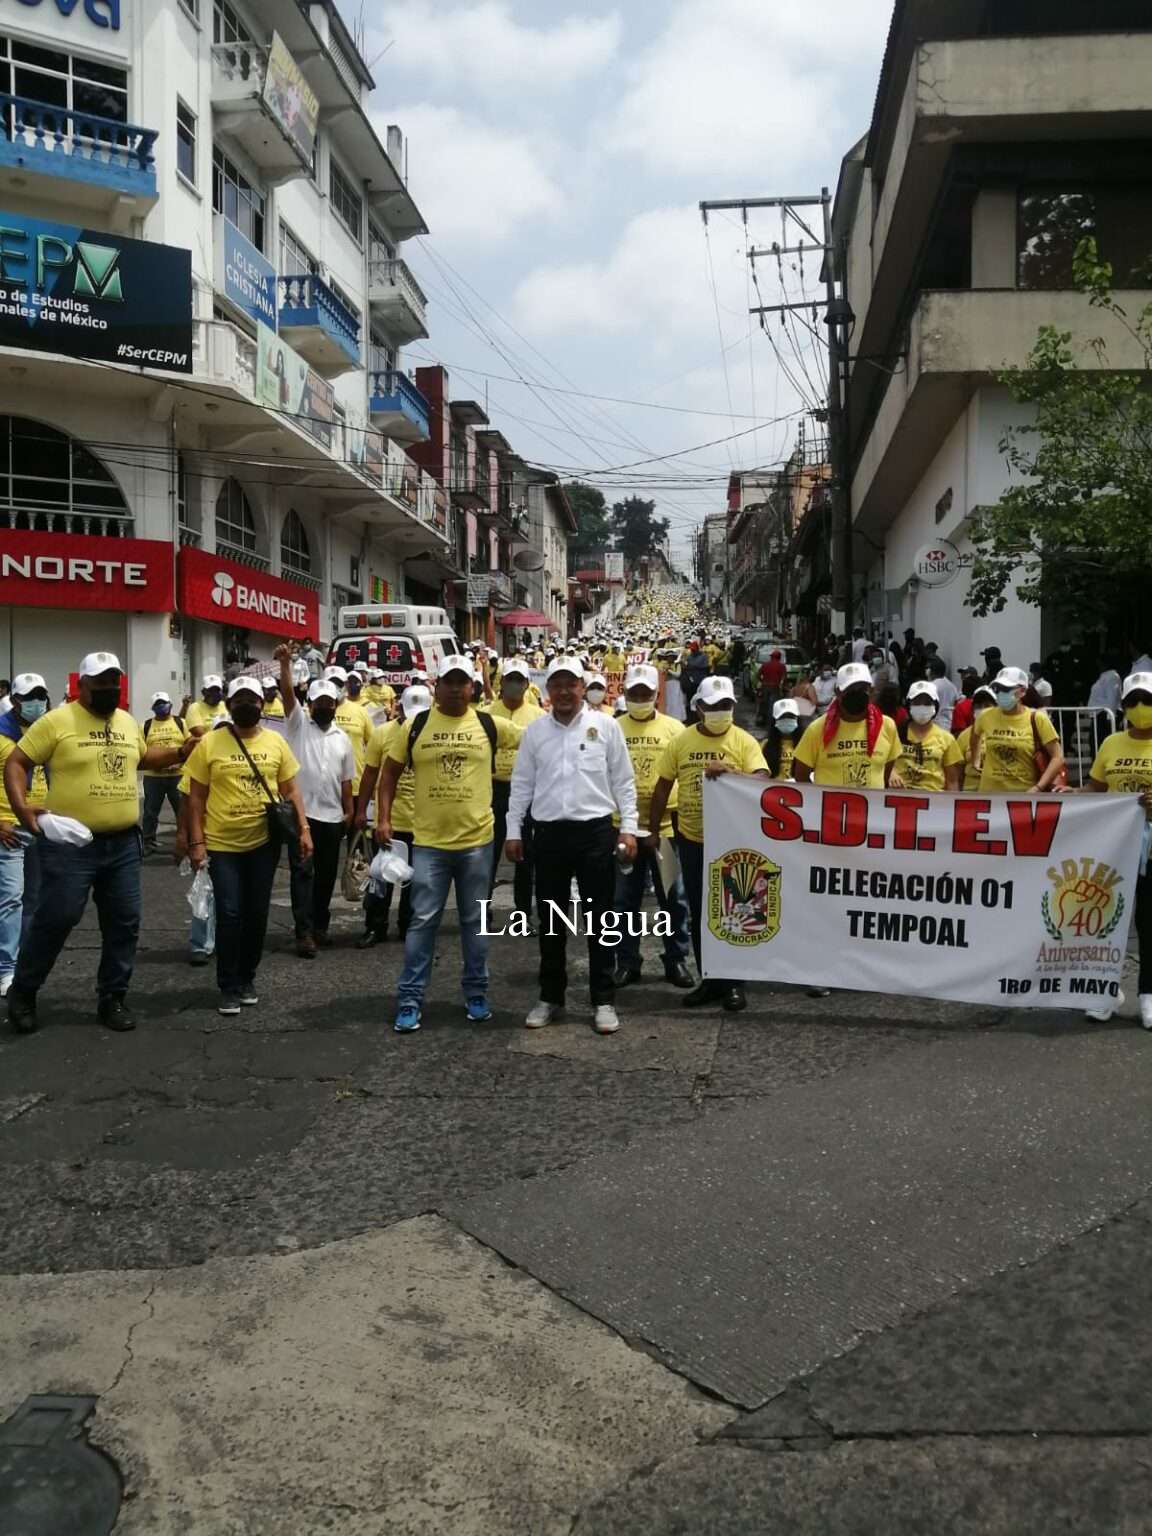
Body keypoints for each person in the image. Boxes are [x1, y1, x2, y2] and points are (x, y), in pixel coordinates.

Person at [4, 652, 191, 1035]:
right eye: (101, 682)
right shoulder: (57, 721)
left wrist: (179, 752)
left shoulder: (125, 721)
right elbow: (17, 763)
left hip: (122, 844)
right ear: (82, 685)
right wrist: (23, 811)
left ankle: (113, 996)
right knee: (57, 918)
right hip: (70, 844)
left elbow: (142, 757)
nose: (109, 688)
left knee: (124, 923)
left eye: (114, 682)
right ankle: (24, 991)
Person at [380, 656, 522, 1033]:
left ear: (473, 687)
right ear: (436, 686)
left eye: (464, 682)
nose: (457, 688)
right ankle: (410, 999)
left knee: (474, 922)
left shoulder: (490, 724)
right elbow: (389, 773)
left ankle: (476, 993)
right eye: (450, 682)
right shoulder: (416, 725)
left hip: (478, 843)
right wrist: (382, 818)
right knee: (421, 922)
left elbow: (539, 741)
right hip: (428, 844)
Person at [506, 656, 637, 1035]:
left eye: (571, 684)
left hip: (595, 833)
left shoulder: (606, 726)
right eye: (557, 684)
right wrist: (514, 830)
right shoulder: (535, 732)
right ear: (547, 690)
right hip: (547, 836)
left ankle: (603, 999)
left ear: (584, 687)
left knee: (601, 920)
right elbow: (522, 785)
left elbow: (624, 782)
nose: (564, 691)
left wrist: (628, 829)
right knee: (551, 921)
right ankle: (551, 996)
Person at [186, 676, 310, 1016]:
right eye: (239, 700)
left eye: (252, 700)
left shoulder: (276, 742)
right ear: (228, 704)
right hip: (222, 843)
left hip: (263, 843)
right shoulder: (210, 744)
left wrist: (303, 828)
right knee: (229, 913)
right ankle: (227, 985)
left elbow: (291, 790)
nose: (246, 706)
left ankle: (247, 978)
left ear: (261, 704)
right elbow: (195, 799)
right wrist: (196, 843)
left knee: (257, 913)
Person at [648, 675, 768, 1012]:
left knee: (734, 911)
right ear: (698, 708)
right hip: (692, 839)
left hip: (733, 844)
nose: (720, 712)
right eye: (712, 706)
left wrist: (730, 773)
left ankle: (734, 984)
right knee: (702, 913)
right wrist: (654, 830)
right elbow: (662, 787)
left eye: (726, 706)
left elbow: (762, 782)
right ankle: (711, 979)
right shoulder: (681, 742)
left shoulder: (744, 742)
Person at [612, 665, 693, 991]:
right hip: (623, 829)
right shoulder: (612, 728)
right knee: (624, 901)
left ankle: (676, 960)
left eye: (646, 694)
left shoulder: (675, 729)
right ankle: (627, 962)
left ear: (656, 696)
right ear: (625, 695)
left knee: (673, 899)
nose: (640, 699)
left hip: (666, 831)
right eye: (634, 694)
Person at [1081, 671, 1152, 1028]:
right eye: (1133, 701)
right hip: (1114, 850)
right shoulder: (1111, 744)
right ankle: (1104, 991)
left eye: (1148, 701)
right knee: (1108, 922)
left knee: (1149, 923)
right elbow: (1095, 787)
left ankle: (1149, 995)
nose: (1140, 708)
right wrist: (1066, 802)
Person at [275, 647, 355, 956]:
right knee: (302, 875)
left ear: (336, 705)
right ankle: (303, 932)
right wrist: (285, 664)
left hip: (333, 818)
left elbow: (346, 780)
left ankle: (320, 926)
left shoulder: (342, 738)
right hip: (302, 817)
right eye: (318, 702)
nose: (324, 707)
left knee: (326, 877)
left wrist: (349, 811)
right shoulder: (297, 726)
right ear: (309, 704)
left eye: (329, 703)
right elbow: (287, 696)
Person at [354, 684, 430, 947]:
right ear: (398, 708)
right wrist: (362, 810)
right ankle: (375, 927)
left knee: (415, 881)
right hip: (389, 820)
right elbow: (371, 775)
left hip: (422, 822)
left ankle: (408, 926)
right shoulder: (383, 733)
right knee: (381, 878)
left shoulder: (432, 733)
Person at [482, 659, 543, 920]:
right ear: (501, 682)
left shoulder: (540, 717)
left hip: (527, 792)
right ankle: (482, 911)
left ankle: (522, 912)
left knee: (525, 855)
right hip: (492, 790)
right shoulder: (485, 714)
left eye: (520, 680)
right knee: (487, 853)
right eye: (510, 680)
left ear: (527, 684)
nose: (515, 685)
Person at [0, 673, 49, 997]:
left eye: (40, 696)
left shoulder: (43, 733)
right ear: (15, 700)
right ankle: (7, 968)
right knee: (11, 900)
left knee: (35, 899)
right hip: (9, 828)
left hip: (41, 826)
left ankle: (25, 960)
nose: (36, 702)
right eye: (29, 697)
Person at [792, 663, 904, 791]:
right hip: (832, 810)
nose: (856, 694)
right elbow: (801, 776)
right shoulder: (817, 729)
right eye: (850, 690)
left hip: (871, 809)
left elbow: (886, 772)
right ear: (838, 693)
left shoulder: (887, 726)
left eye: (862, 688)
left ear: (871, 691)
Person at [970, 666, 1064, 792]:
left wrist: (1038, 787)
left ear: (1022, 691)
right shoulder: (985, 716)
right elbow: (975, 735)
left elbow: (1057, 757)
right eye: (997, 688)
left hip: (1023, 796)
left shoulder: (1037, 719)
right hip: (989, 795)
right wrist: (975, 760)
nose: (1000, 693)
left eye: (1006, 689)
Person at [895, 681, 964, 792]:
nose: (922, 707)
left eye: (927, 703)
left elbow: (952, 781)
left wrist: (951, 805)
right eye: (917, 702)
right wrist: (891, 773)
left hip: (933, 802)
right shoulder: (896, 733)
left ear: (935, 706)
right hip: (898, 799)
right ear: (908, 705)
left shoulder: (947, 739)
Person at [140, 691, 187, 851]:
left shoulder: (181, 723)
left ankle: (186, 840)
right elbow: (142, 751)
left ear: (170, 705)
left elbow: (190, 748)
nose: (161, 706)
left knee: (182, 810)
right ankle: (148, 841)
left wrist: (179, 763)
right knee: (150, 811)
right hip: (154, 776)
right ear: (153, 707)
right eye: (157, 704)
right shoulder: (145, 726)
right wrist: (156, 764)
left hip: (178, 776)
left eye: (164, 703)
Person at [335, 669, 374, 800]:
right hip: (326, 786)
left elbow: (373, 746)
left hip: (355, 783)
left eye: (339, 683)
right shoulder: (317, 711)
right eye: (331, 683)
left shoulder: (362, 710)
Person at [955, 687, 997, 790]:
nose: (982, 709)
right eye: (978, 706)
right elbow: (958, 774)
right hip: (970, 795)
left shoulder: (1005, 733)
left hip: (996, 794)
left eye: (987, 705)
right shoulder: (964, 736)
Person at [765, 698, 804, 781]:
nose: (786, 719)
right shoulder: (765, 745)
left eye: (790, 716)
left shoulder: (806, 745)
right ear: (775, 720)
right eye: (782, 717)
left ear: (797, 718)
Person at [926, 658, 960, 732]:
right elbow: (956, 703)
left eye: (928, 668)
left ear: (931, 671)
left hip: (935, 724)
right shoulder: (952, 686)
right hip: (949, 723)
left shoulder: (931, 686)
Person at [757, 648, 788, 725]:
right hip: (775, 687)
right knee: (774, 704)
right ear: (779, 657)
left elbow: (758, 675)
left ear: (771, 657)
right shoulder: (782, 666)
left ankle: (762, 719)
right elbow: (784, 678)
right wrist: (783, 687)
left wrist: (762, 681)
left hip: (765, 686)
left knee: (763, 703)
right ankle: (772, 721)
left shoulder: (765, 665)